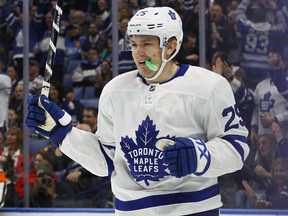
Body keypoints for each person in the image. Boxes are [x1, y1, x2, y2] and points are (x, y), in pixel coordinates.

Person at [25, 6, 250, 215]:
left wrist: (201, 156)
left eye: (147, 44)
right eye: (134, 44)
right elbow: (106, 161)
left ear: (170, 46)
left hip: (192, 210)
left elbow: (236, 149)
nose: (138, 54)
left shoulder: (208, 86)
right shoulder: (115, 90)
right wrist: (62, 134)